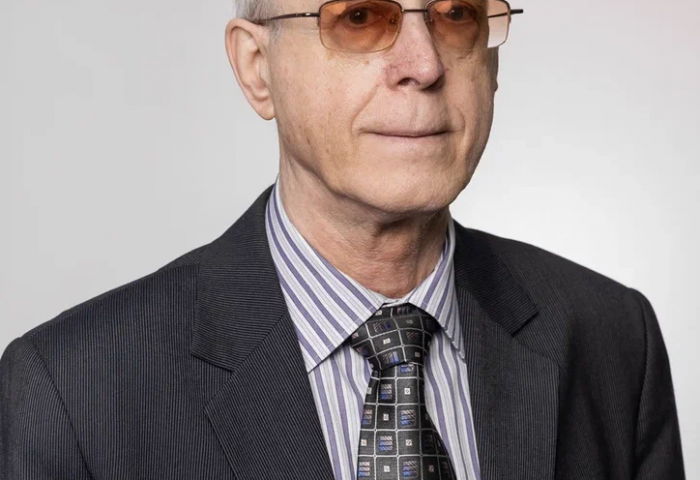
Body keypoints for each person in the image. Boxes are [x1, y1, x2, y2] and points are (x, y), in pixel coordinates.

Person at [0, 0, 685, 478]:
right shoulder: (71, 393)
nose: (424, 64)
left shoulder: (612, 337)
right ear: (257, 67)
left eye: (456, 14)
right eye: (360, 17)